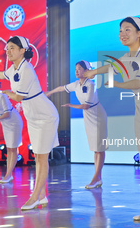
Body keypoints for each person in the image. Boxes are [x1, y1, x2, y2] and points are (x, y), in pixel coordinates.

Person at [84, 17, 140, 223]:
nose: (123, 33)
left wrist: (116, 84)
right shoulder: (128, 55)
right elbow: (110, 67)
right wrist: (91, 72)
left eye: (128, 30)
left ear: (139, 33)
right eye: (121, 30)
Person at [0, 36, 59, 210]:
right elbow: (4, 74)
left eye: (12, 48)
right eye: (7, 48)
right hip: (33, 117)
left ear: (23, 50)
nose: (8, 51)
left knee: (42, 157)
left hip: (45, 116)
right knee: (37, 156)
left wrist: (6, 92)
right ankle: (42, 195)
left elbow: (18, 96)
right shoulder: (14, 67)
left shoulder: (27, 69)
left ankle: (35, 196)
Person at [45, 60, 107, 189]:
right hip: (88, 116)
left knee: (99, 149)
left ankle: (95, 178)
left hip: (97, 115)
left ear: (87, 70)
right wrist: (50, 92)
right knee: (95, 149)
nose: (77, 71)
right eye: (75, 69)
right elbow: (62, 88)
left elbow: (86, 105)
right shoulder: (76, 84)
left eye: (79, 68)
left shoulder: (91, 84)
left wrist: (70, 105)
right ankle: (98, 178)